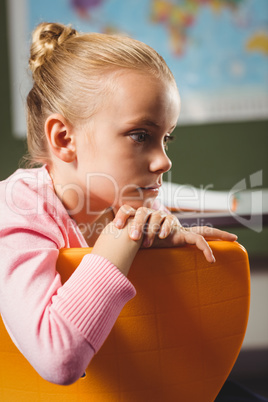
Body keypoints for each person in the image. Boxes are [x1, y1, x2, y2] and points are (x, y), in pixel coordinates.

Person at [0, 22, 266, 400]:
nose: (163, 161)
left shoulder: (128, 199)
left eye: (166, 138)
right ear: (64, 139)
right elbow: (57, 360)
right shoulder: (18, 210)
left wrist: (165, 248)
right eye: (140, 135)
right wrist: (123, 240)